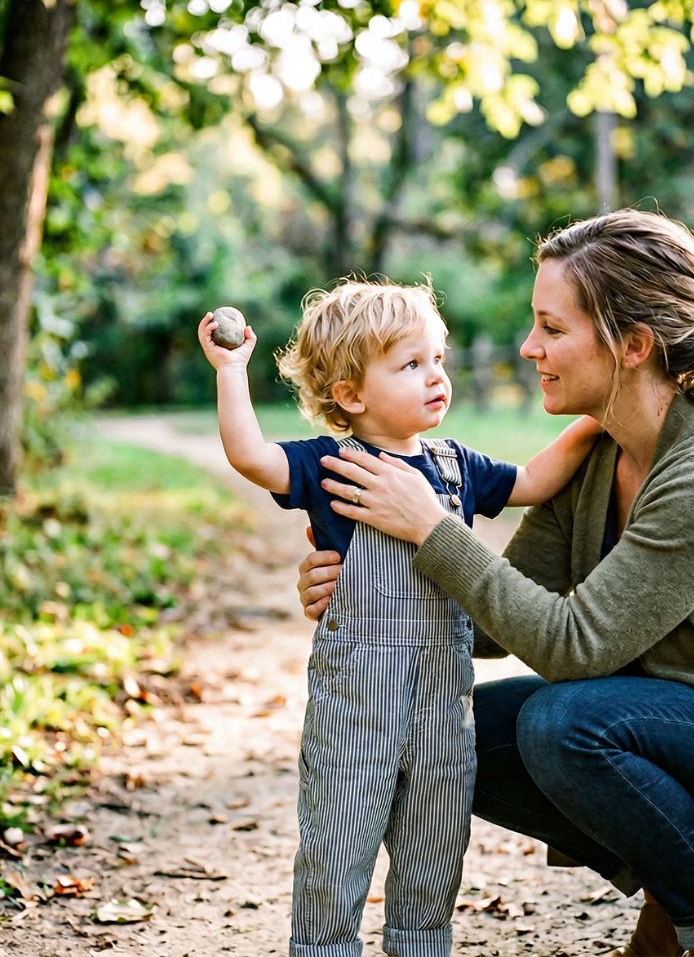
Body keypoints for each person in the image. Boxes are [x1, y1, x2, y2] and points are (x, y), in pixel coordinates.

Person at [295, 210, 694, 957]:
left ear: (633, 345)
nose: (529, 347)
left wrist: (433, 531)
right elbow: (498, 624)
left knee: (565, 725)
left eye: (552, 328)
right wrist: (370, 586)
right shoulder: (604, 453)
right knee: (463, 735)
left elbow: (573, 648)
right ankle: (682, 896)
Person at [197, 279, 599, 957]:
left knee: (435, 842)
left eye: (438, 359)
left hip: (443, 701)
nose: (436, 376)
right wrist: (231, 371)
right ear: (351, 395)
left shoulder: (456, 466)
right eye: (411, 364)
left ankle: (421, 943)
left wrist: (593, 422)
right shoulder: (328, 464)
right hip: (357, 705)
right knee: (338, 843)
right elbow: (250, 457)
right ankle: (324, 947)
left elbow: (532, 482)